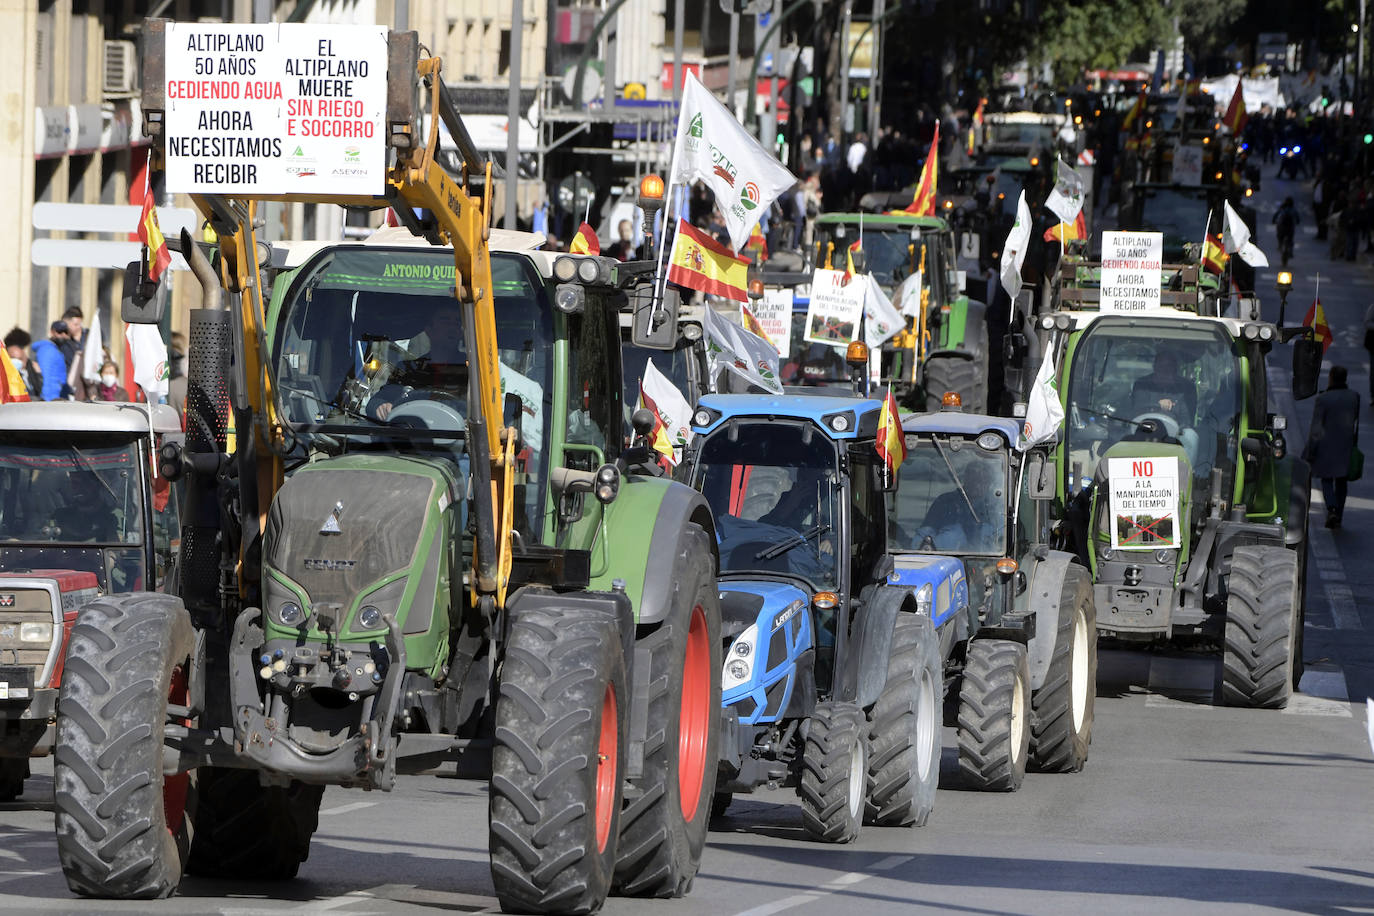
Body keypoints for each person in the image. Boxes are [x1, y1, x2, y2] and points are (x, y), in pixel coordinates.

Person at [367, 308, 466, 421]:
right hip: (414, 430)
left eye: (457, 323)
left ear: (460, 333)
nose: (452, 327)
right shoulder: (409, 369)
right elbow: (376, 401)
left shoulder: (473, 370)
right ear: (429, 330)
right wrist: (381, 406)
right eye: (445, 321)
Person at [1305, 365, 1360, 528]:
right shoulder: (1354, 397)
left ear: (1331, 377)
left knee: (1326, 479)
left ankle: (1331, 508)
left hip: (1326, 445)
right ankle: (1339, 513)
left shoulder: (1323, 399)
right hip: (1346, 444)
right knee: (1342, 481)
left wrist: (1311, 450)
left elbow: (1316, 428)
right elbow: (1355, 422)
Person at [1132, 350, 1197, 424]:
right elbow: (1137, 411)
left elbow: (1187, 420)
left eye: (1169, 366)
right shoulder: (1142, 385)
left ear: (1175, 369)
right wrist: (1158, 405)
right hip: (1145, 428)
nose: (1164, 370)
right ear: (1154, 368)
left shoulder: (1187, 387)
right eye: (1160, 366)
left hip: (1177, 430)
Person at [31, 321, 71, 401]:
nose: (63, 335)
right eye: (60, 332)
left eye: (66, 332)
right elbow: (45, 376)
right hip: (51, 399)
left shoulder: (55, 349)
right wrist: (46, 400)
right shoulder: (47, 350)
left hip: (58, 397)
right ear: (52, 332)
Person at [4, 327, 42, 399]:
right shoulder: (9, 376)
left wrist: (39, 375)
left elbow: (40, 391)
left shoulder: (32, 369)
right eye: (13, 358)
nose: (17, 361)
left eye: (20, 359)